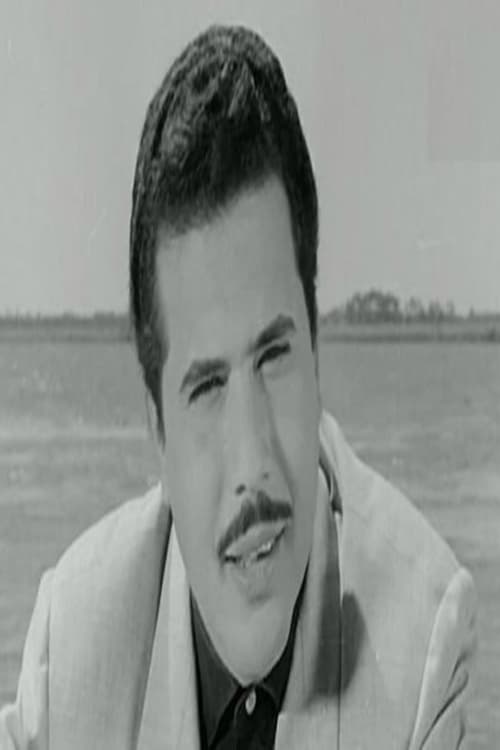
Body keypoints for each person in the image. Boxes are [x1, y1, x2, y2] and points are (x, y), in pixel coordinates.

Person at [0, 24, 477, 750]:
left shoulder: (421, 643)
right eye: (206, 386)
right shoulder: (72, 647)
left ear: (315, 352)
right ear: (157, 430)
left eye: (274, 356)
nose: (253, 461)